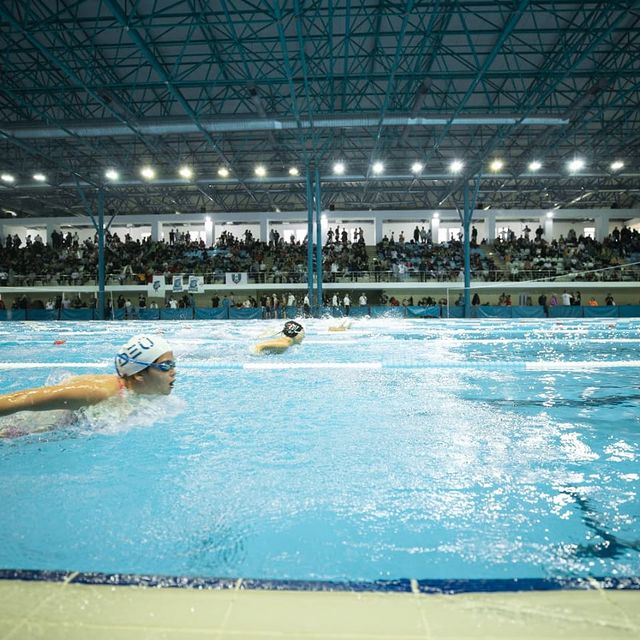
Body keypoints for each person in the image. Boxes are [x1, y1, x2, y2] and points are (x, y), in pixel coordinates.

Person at [0, 334, 176, 419]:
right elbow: (21, 399)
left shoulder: (135, 393)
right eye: (166, 366)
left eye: (173, 365)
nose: (173, 371)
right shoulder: (97, 392)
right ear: (138, 374)